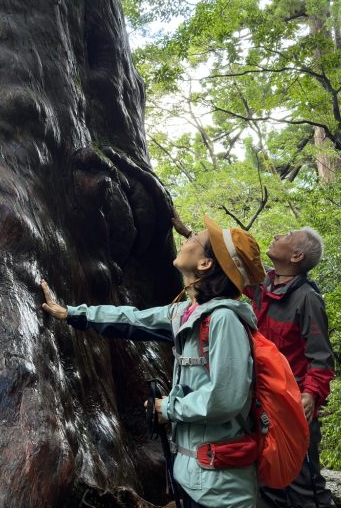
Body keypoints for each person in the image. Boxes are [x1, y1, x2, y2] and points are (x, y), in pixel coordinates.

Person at [41, 215, 267, 508]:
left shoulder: (225, 321)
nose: (188, 237)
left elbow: (225, 399)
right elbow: (132, 319)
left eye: (196, 236)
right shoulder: (187, 312)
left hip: (222, 492)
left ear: (205, 265)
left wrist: (168, 408)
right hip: (194, 479)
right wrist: (72, 314)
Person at [246, 228, 336, 508]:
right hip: (259, 406)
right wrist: (187, 232)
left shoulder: (307, 299)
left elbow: (321, 358)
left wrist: (310, 395)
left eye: (286, 234)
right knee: (267, 483)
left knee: (304, 488)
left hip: (292, 408)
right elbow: (229, 266)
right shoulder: (263, 286)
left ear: (296, 256)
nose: (276, 235)